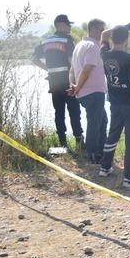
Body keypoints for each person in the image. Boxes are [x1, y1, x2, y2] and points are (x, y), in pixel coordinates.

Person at [97, 25, 130, 187]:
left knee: (113, 135)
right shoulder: (129, 59)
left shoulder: (104, 53)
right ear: (126, 39)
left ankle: (104, 168)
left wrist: (122, 27)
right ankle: (129, 178)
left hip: (115, 104)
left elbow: (103, 35)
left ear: (112, 38)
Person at [32, 14, 83, 148]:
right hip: (68, 80)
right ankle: (79, 142)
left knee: (59, 112)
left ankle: (62, 143)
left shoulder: (45, 41)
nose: (70, 27)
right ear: (61, 25)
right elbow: (72, 60)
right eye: (68, 24)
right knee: (74, 110)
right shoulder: (67, 40)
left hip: (53, 82)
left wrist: (48, 69)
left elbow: (34, 58)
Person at [68, 19, 108, 163]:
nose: (102, 33)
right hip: (93, 92)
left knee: (102, 120)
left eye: (103, 30)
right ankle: (94, 155)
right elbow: (87, 69)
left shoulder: (79, 46)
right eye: (100, 29)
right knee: (94, 123)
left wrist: (73, 85)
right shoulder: (92, 46)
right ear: (91, 29)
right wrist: (77, 86)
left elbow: (72, 71)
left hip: (85, 92)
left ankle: (102, 151)